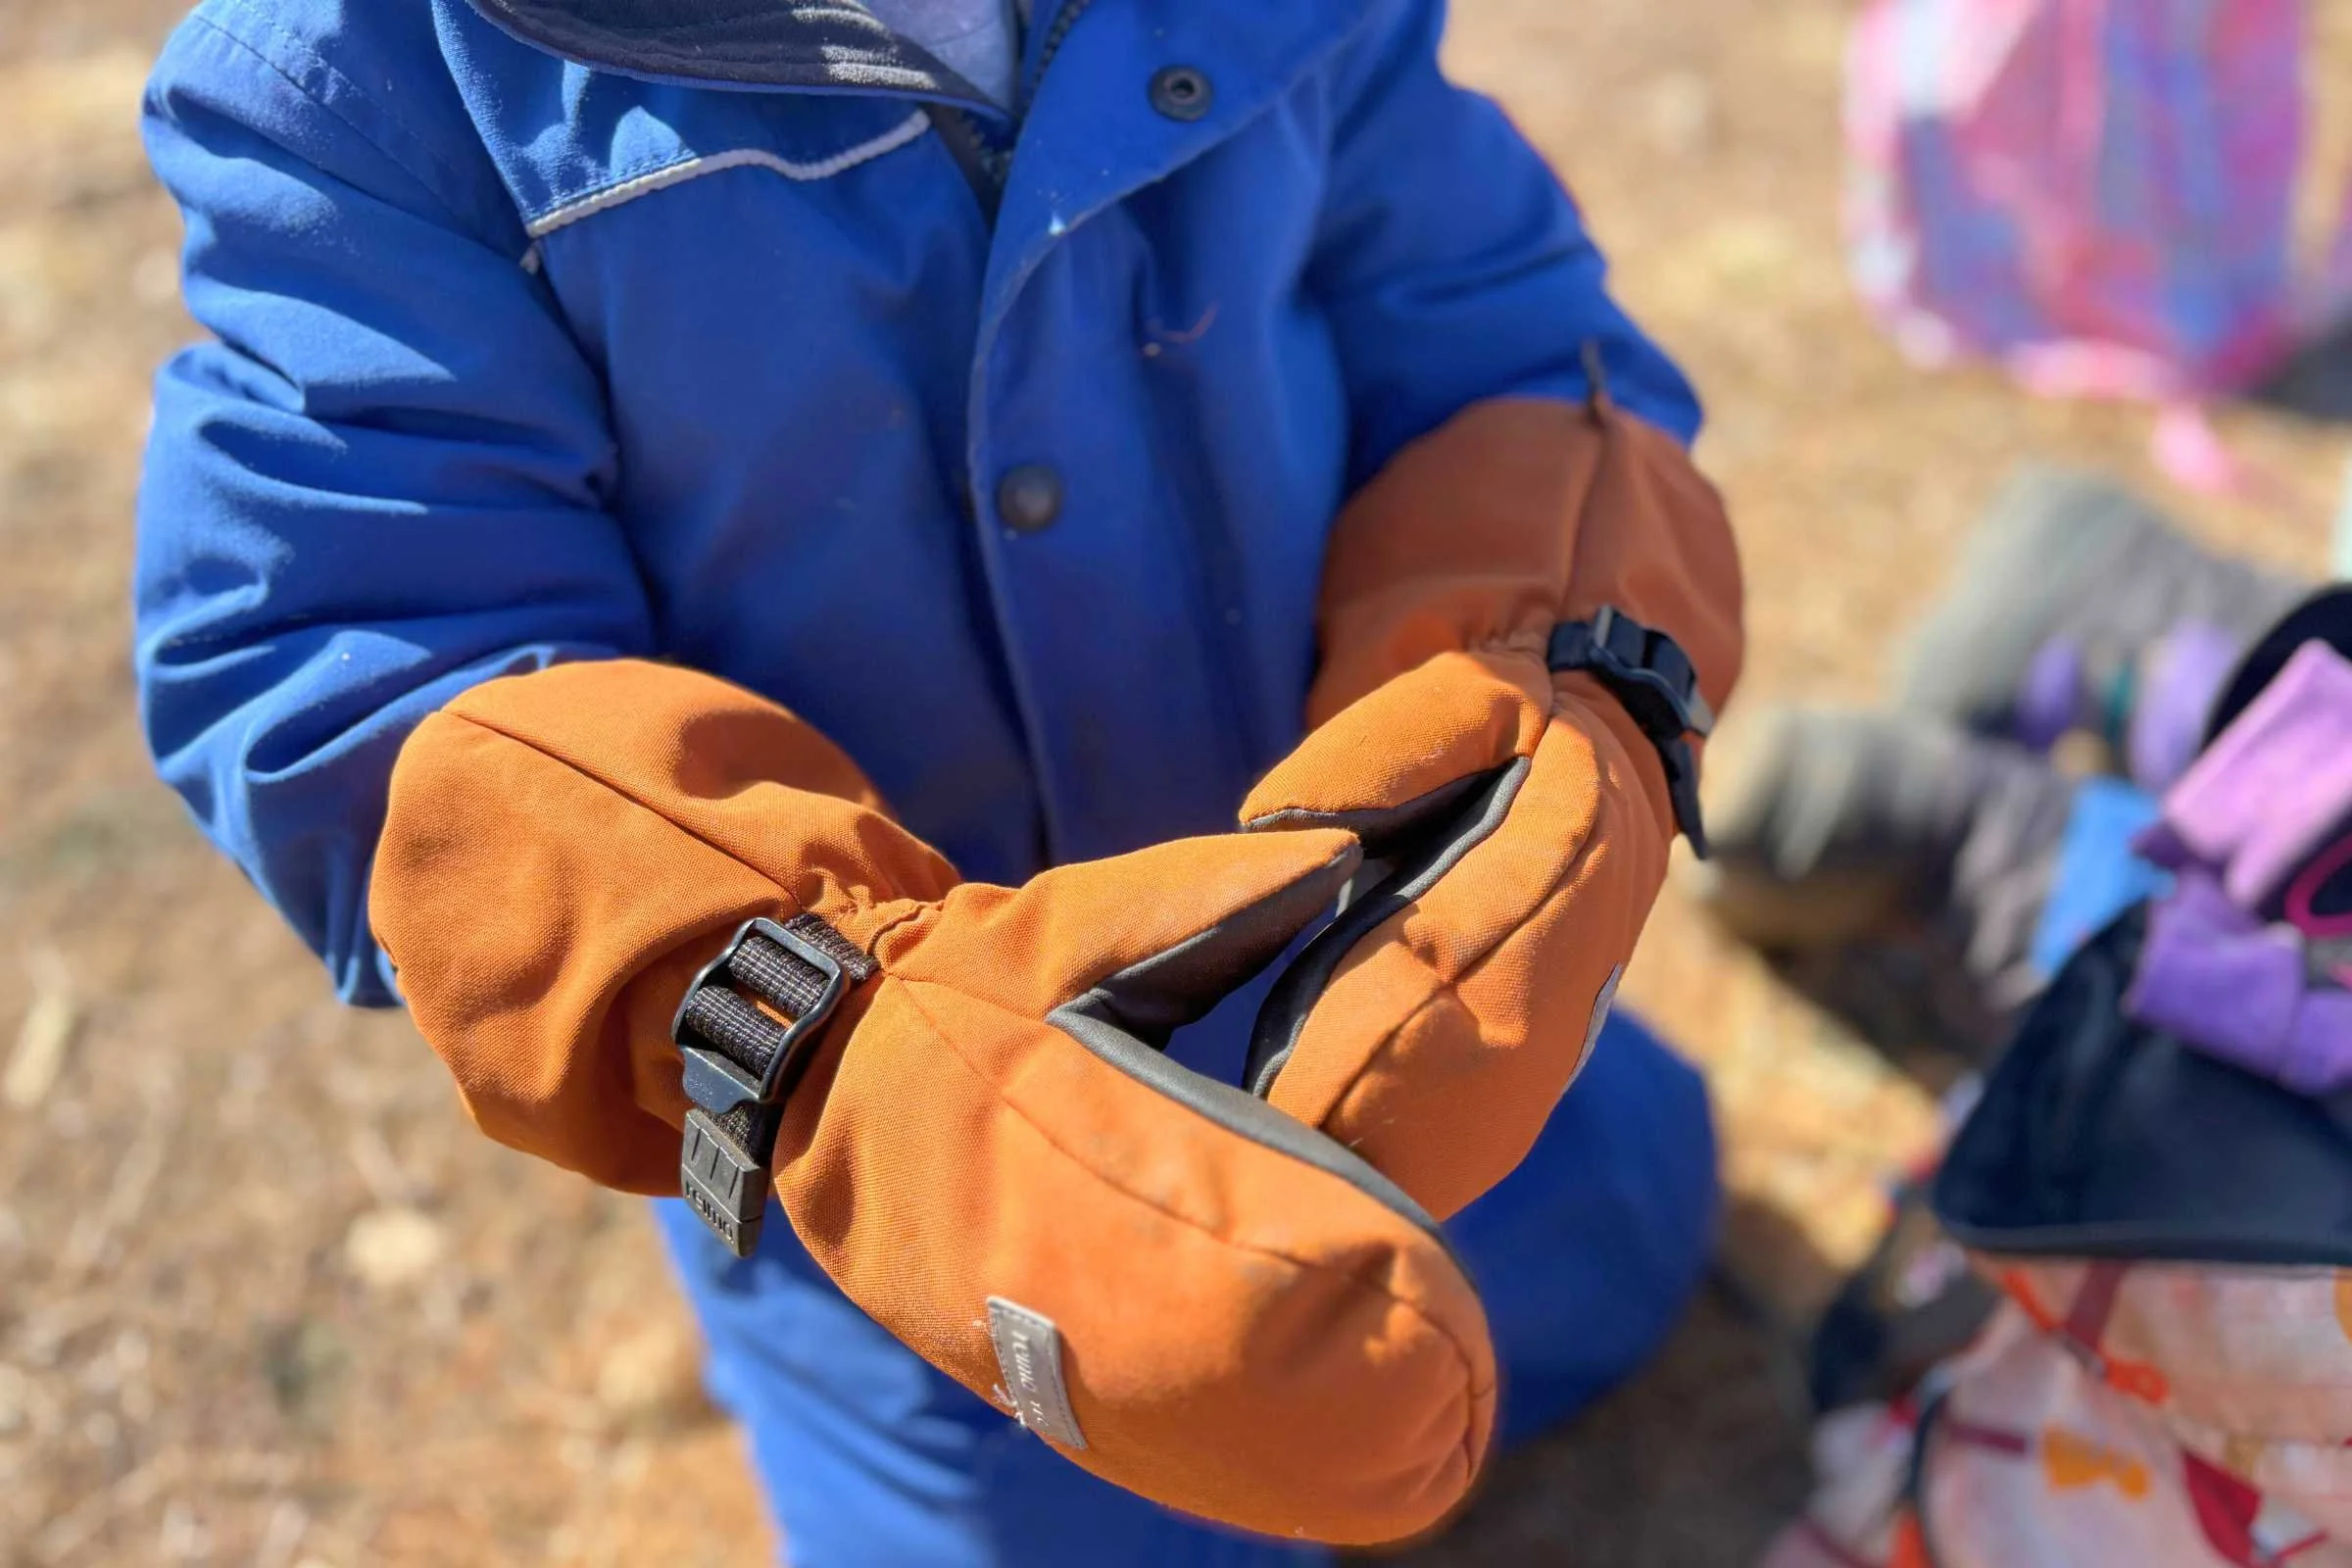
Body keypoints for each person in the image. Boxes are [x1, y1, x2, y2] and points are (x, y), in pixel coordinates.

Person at [134, 2, 1742, 1560]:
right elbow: (379, 656)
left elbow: (1492, 323)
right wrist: (837, 1043)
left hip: (1338, 948)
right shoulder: (374, 81)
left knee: (1621, 1242)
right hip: (897, 1147)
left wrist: (1542, 679)